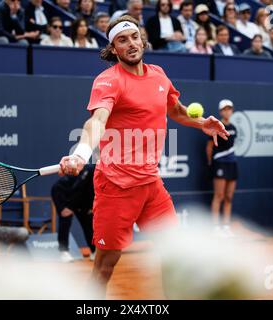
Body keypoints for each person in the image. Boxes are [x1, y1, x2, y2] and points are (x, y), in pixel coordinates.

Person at [57, 15, 229, 297]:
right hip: (116, 187)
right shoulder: (108, 81)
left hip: (151, 185)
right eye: (122, 40)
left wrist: (201, 123)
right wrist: (81, 153)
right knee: (105, 265)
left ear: (142, 39)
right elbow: (97, 122)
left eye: (134, 36)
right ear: (113, 49)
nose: (131, 44)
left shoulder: (159, 74)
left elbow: (174, 110)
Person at [51, 164, 96, 263]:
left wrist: (91, 206)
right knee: (65, 221)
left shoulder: (109, 175)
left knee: (88, 223)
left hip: (81, 198)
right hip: (62, 193)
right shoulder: (91, 169)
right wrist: (69, 207)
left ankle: (94, 251)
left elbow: (91, 191)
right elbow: (78, 187)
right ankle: (63, 252)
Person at [206, 99, 237, 238]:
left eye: (229, 109)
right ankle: (215, 227)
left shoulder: (234, 128)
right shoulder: (216, 127)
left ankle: (226, 226)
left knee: (229, 197)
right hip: (219, 163)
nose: (227, 111)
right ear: (220, 112)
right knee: (219, 196)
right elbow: (209, 146)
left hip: (232, 164)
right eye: (224, 109)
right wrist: (211, 162)